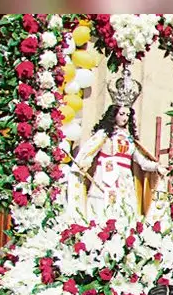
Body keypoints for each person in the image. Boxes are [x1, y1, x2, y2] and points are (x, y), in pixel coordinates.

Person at [71, 72, 165, 223]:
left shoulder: (129, 139)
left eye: (127, 115)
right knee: (101, 208)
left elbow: (141, 161)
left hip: (124, 181)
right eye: (122, 114)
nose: (124, 118)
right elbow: (89, 152)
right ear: (114, 114)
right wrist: (83, 163)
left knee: (124, 211)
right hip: (105, 177)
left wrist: (156, 167)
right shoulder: (103, 135)